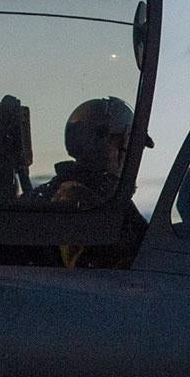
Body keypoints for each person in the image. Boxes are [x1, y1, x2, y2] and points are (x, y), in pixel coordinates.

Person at [36, 98, 150, 268]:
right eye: (126, 144)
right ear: (98, 144)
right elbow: (97, 271)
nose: (131, 156)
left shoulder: (105, 199)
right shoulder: (75, 201)